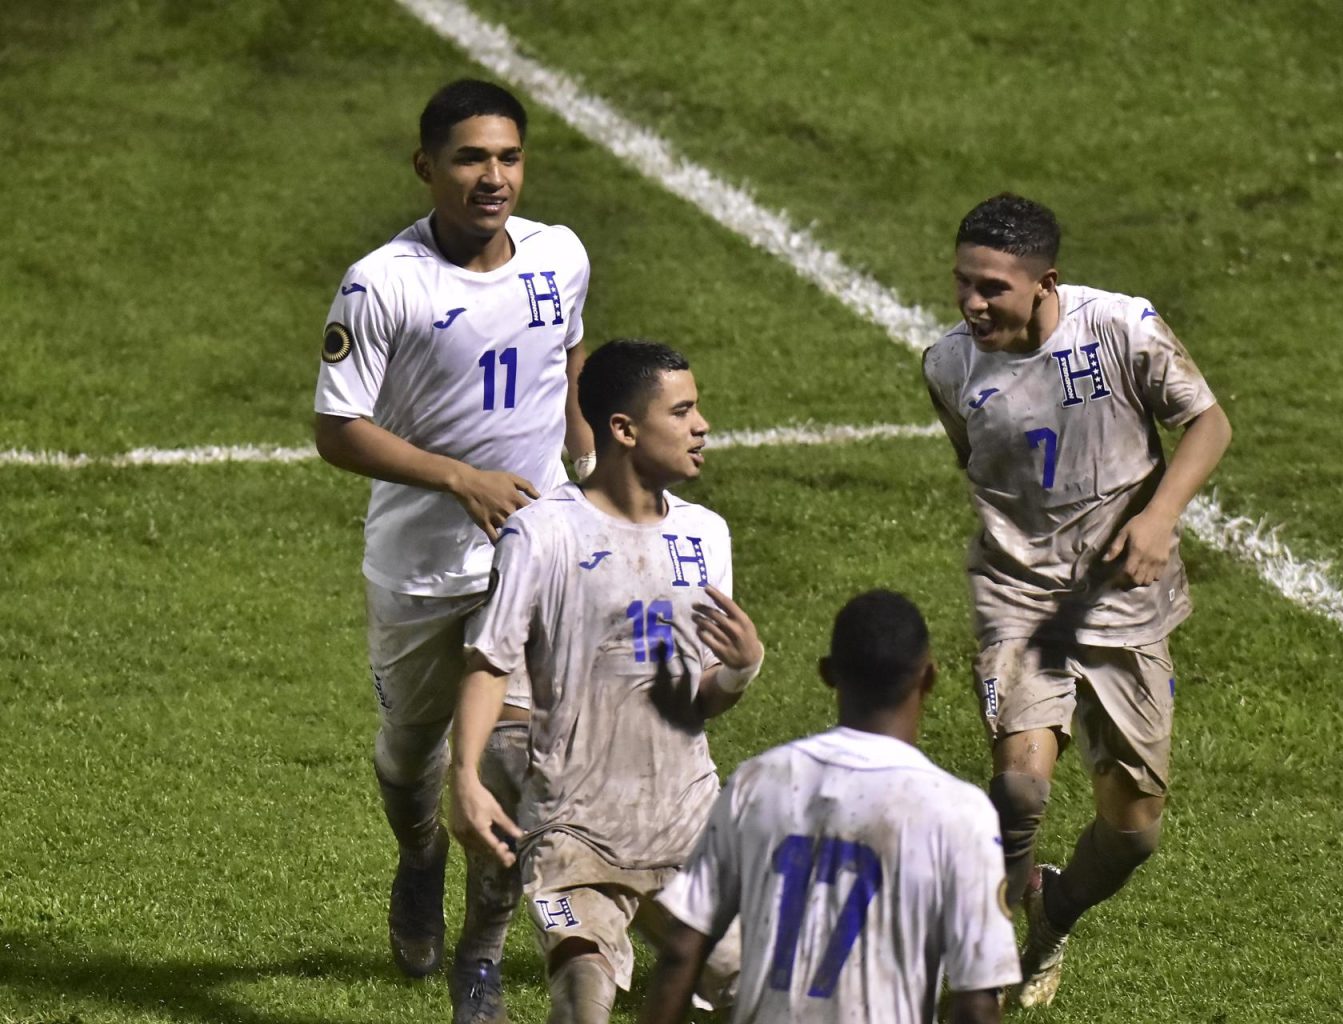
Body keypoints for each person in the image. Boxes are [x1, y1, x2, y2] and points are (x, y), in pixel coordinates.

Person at [311, 77, 594, 1020]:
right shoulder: (383, 282)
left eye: (508, 157)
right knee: (409, 757)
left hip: (531, 553)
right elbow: (336, 429)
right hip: (420, 566)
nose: (493, 177)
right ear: (426, 166)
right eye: (472, 158)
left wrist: (582, 452)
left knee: (512, 761)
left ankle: (483, 950)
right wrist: (458, 478)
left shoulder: (560, 256)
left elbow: (568, 350)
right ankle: (420, 854)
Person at [922, 193, 1233, 1006]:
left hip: (1127, 602)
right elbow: (982, 469)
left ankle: (1053, 912)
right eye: (963, 283)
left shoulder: (1121, 328)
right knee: (1021, 787)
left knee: (1133, 836)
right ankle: (977, 979)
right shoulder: (948, 366)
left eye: (992, 287)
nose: (972, 303)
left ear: (1045, 282)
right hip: (1020, 598)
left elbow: (1208, 424)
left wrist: (1159, 517)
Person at [451, 338, 764, 1024]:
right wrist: (465, 777)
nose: (702, 424)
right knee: (581, 989)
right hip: (572, 825)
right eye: (682, 411)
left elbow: (697, 697)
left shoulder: (705, 535)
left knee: (761, 993)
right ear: (623, 429)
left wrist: (739, 671)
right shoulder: (542, 534)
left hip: (685, 821)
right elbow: (489, 662)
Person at [640, 590, 1021, 1024]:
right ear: (930, 677)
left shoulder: (759, 783)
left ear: (827, 674)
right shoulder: (960, 813)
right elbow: (976, 1002)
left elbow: (683, 948)